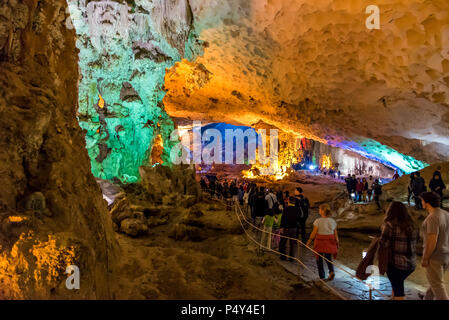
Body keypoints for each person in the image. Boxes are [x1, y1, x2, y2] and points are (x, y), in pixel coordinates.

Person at [379, 202, 419, 300]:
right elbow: (417, 241)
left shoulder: (390, 225)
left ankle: (397, 296)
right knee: (397, 284)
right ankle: (394, 296)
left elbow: (384, 244)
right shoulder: (413, 225)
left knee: (399, 292)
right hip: (411, 264)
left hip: (396, 265)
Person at [420, 192, 449, 300]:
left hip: (435, 256)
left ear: (427, 202)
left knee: (437, 285)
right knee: (434, 283)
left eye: (422, 200)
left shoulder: (432, 217)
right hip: (446, 255)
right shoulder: (446, 214)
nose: (421, 202)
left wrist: (425, 258)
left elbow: (432, 239)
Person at [306, 204, 339, 281]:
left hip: (320, 241)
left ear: (323, 211)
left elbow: (314, 232)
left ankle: (322, 276)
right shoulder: (332, 221)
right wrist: (337, 242)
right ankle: (331, 271)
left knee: (319, 258)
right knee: (328, 257)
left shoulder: (318, 221)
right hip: (330, 240)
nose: (319, 210)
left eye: (320, 209)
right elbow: (335, 233)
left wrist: (309, 240)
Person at [279, 196, 300, 262]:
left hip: (286, 228)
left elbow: (283, 219)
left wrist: (281, 227)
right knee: (292, 244)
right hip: (294, 228)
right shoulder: (297, 209)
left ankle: (283, 256)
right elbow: (299, 218)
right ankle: (292, 258)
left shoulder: (286, 209)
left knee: (283, 242)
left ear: (288, 201)